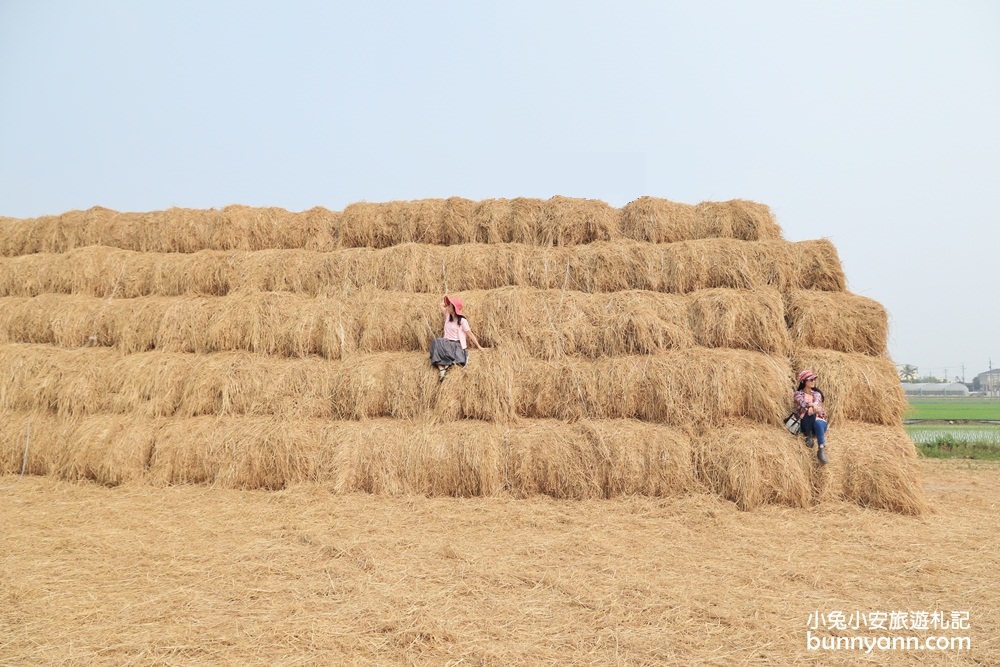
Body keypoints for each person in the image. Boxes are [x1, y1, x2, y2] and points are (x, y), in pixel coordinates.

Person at [429, 295, 486, 381]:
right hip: (447, 344)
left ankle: (445, 364)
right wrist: (447, 303)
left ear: (454, 308)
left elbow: (470, 334)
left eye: (450, 305)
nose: (448, 307)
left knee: (437, 342)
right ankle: (442, 368)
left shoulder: (462, 321)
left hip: (456, 346)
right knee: (434, 343)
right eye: (448, 305)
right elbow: (440, 305)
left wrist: (479, 346)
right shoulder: (448, 315)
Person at [794, 369, 829, 464]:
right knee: (809, 412)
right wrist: (812, 407)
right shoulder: (798, 394)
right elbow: (803, 403)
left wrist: (812, 407)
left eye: (814, 379)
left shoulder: (817, 394)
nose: (813, 381)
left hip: (818, 423)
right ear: (803, 381)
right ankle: (808, 435)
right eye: (811, 379)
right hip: (805, 423)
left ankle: (821, 449)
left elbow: (817, 403)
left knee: (817, 420)